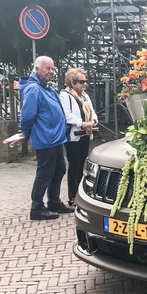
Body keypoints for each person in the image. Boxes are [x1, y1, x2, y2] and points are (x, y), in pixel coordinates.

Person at [19, 56, 75, 220]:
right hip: (45, 138)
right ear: (36, 69)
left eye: (52, 68)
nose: (51, 71)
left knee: (59, 169)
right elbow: (27, 115)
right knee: (45, 172)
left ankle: (54, 201)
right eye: (47, 68)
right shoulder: (34, 89)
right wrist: (25, 132)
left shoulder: (47, 87)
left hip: (56, 138)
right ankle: (36, 208)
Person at [60, 68, 98, 207]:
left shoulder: (85, 96)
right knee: (74, 164)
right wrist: (82, 124)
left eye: (85, 81)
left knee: (83, 164)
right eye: (81, 82)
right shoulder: (65, 96)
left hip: (86, 134)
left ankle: (81, 194)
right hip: (73, 136)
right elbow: (67, 115)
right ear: (72, 82)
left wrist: (92, 122)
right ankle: (72, 196)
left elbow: (93, 113)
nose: (84, 84)